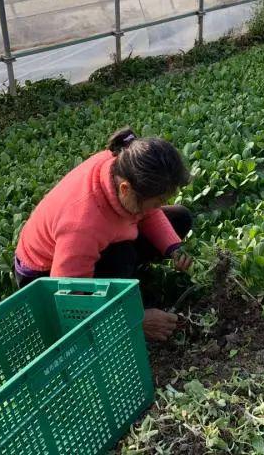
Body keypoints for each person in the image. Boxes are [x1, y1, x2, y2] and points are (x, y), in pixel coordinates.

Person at [14, 127, 194, 341]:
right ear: (126, 190)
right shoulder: (81, 226)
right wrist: (136, 318)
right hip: (46, 277)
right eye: (156, 202)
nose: (158, 207)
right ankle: (120, 296)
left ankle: (122, 281)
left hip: (92, 242)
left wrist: (173, 248)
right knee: (122, 256)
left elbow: (149, 214)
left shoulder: (123, 164)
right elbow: (69, 300)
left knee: (180, 218)